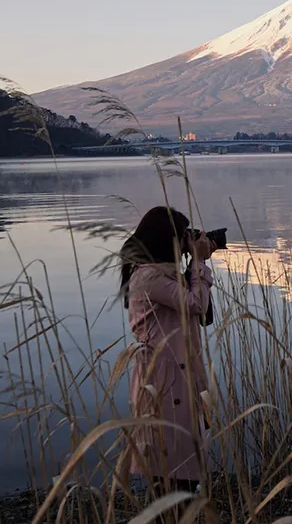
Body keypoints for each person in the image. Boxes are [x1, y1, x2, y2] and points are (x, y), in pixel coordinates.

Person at [119, 206, 216, 493]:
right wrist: (198, 262)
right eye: (183, 236)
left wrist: (193, 266)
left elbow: (200, 311)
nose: (187, 241)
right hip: (165, 384)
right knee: (174, 473)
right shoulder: (149, 277)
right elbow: (195, 304)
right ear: (167, 239)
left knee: (180, 474)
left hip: (176, 378)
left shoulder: (163, 274)